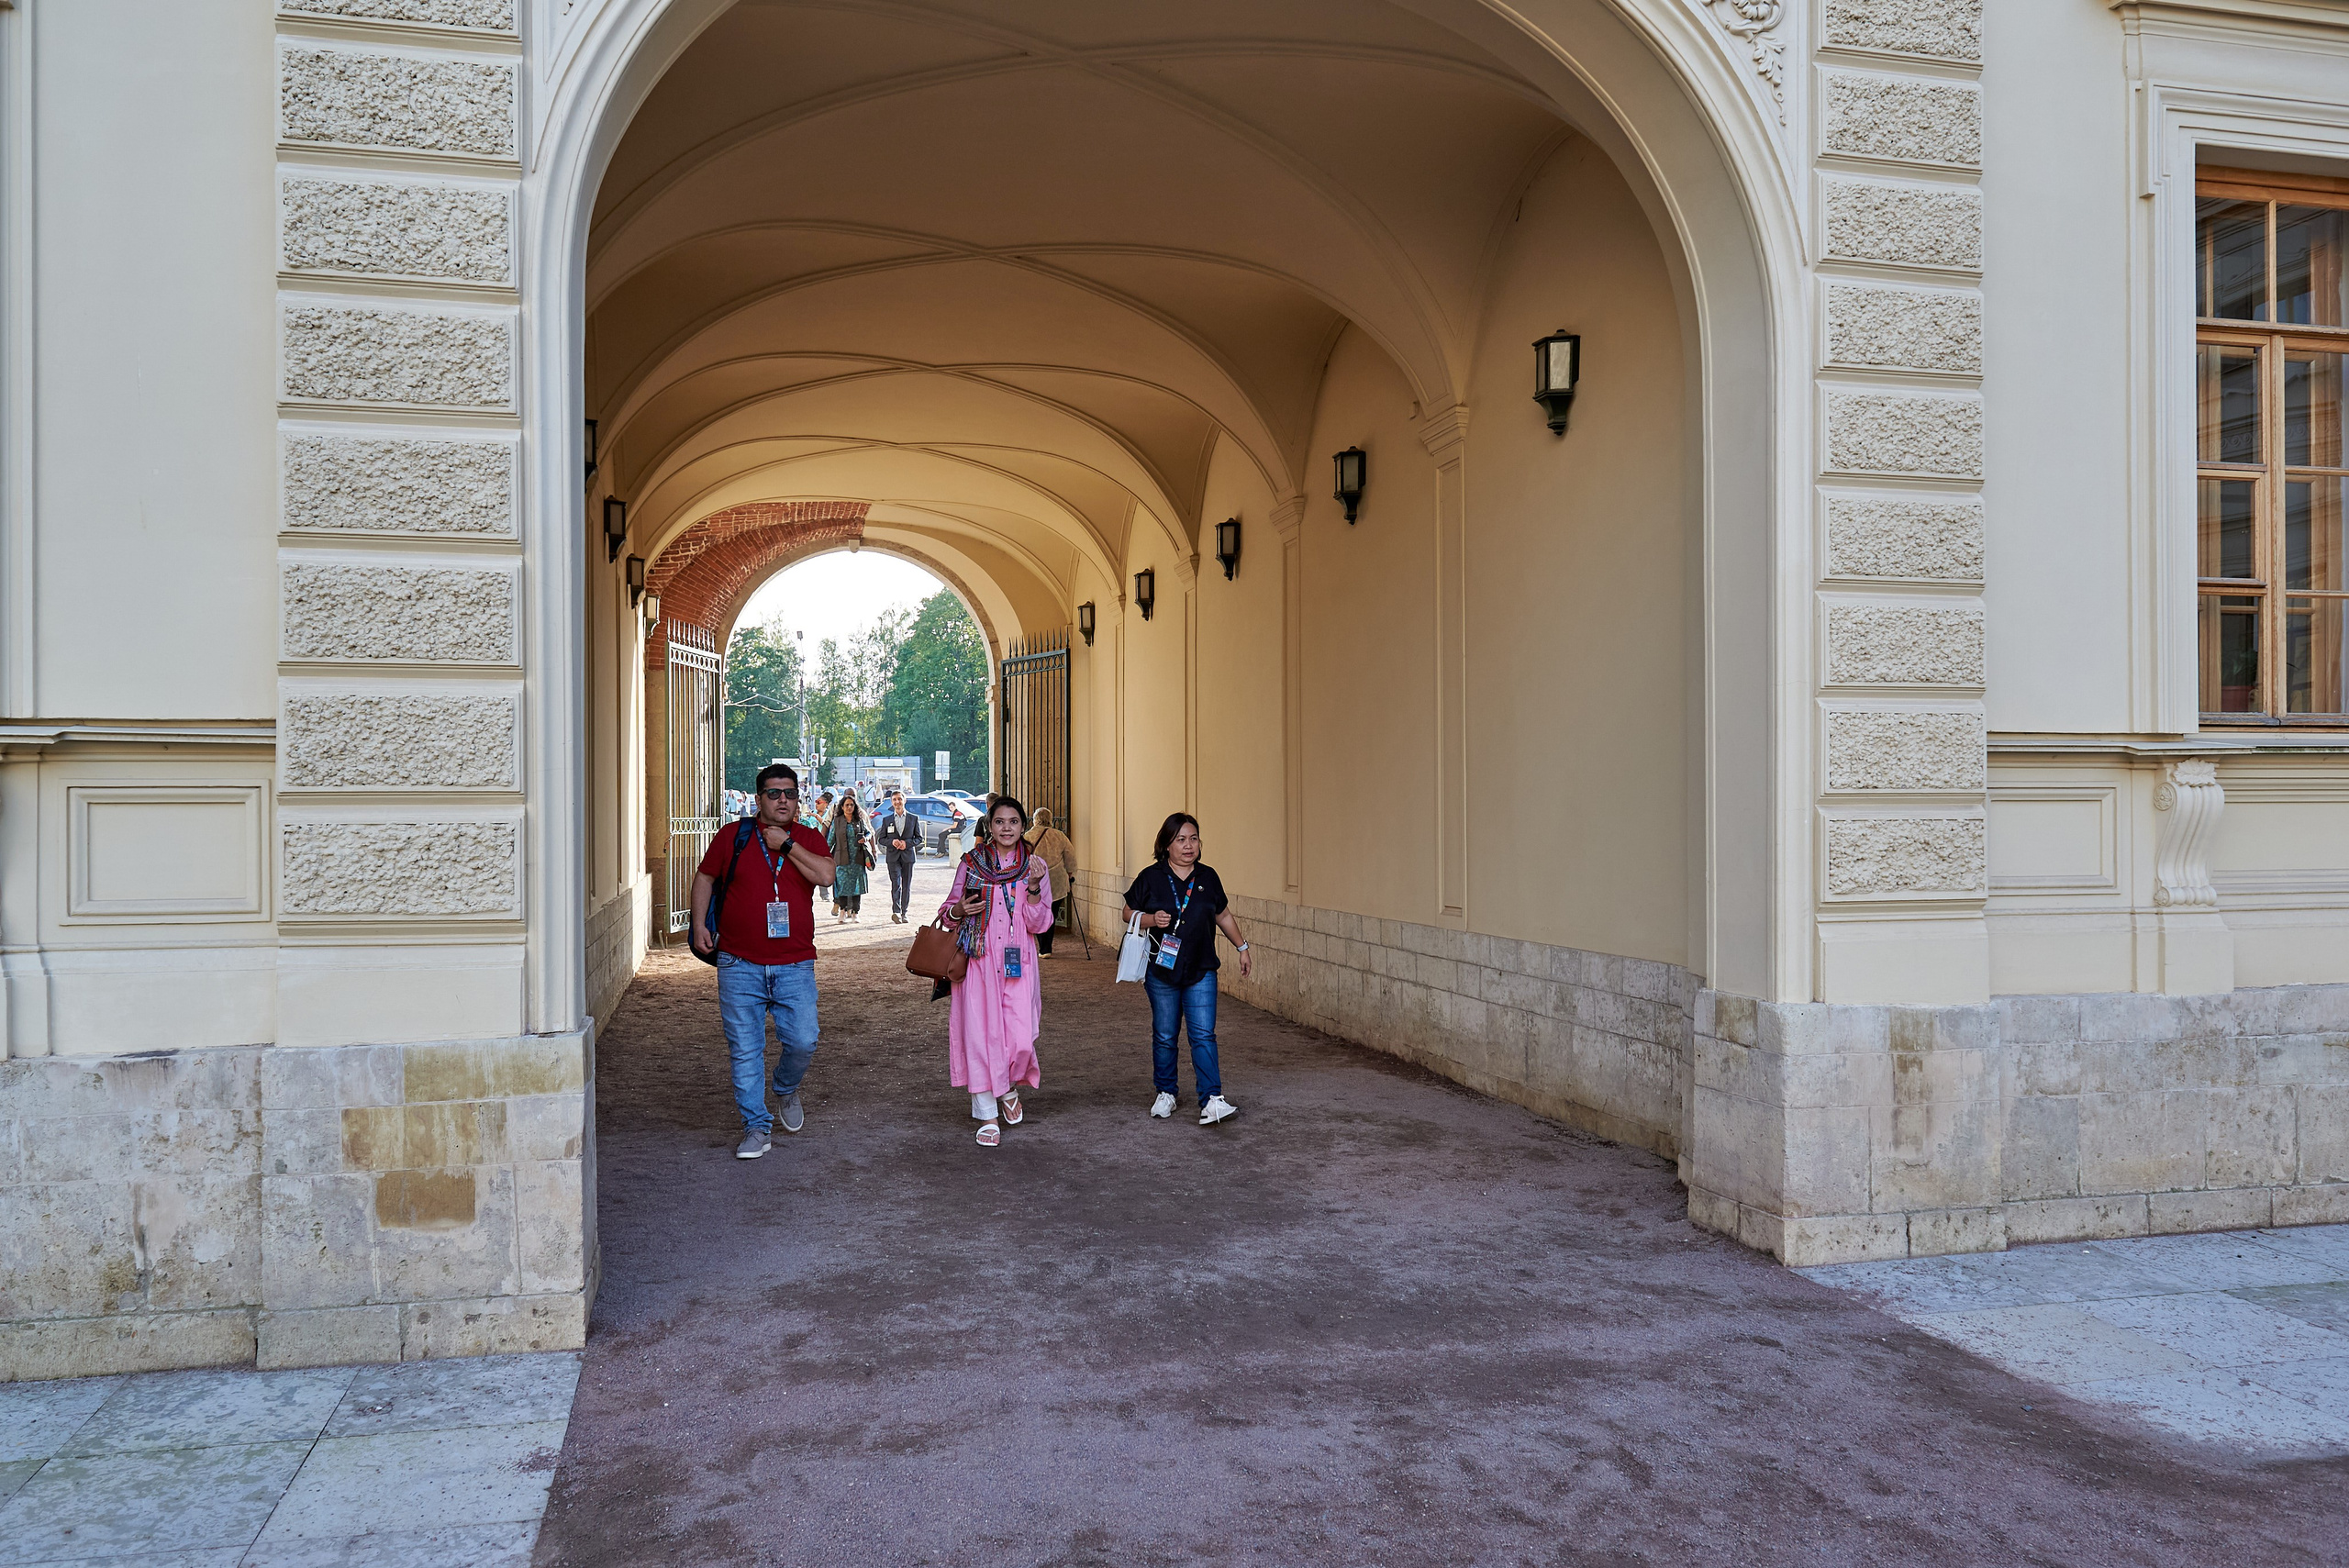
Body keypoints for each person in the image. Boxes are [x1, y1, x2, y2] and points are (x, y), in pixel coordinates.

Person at [689, 762, 837, 1159]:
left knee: (804, 1040)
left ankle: (786, 1088)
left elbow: (826, 876)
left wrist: (786, 846)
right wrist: (698, 922)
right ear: (759, 799)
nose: (783, 800)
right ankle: (756, 1126)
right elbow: (704, 877)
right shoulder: (732, 836)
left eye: (790, 793)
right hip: (739, 964)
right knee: (745, 1049)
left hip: (794, 963)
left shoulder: (807, 837)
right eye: (774, 793)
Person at [939, 795, 1053, 1147]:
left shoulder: (1036, 866)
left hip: (1019, 961)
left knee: (1020, 1039)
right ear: (990, 826)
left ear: (1022, 826)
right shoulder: (971, 863)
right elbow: (947, 913)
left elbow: (1041, 921)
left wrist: (1033, 887)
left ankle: (1007, 1089)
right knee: (980, 1036)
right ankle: (987, 1112)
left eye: (1014, 822)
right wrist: (958, 910)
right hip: (979, 960)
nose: (1007, 828)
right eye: (1000, 822)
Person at [1124, 812, 1250, 1126]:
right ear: (1166, 845)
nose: (1188, 845)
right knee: (1166, 1035)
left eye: (1193, 838)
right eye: (1180, 839)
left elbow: (1222, 916)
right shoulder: (1151, 877)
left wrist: (1242, 947)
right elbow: (1127, 912)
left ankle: (1212, 1099)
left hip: (1201, 969)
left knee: (1204, 1035)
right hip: (1161, 971)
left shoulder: (1208, 877)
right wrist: (1152, 920)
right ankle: (1166, 1092)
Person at [1023, 806, 1076, 957]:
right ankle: (1047, 947)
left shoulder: (1028, 836)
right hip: (1056, 881)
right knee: (1051, 912)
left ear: (1035, 820)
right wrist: (1070, 874)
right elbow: (1070, 857)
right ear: (1050, 819)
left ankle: (1043, 947)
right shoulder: (1059, 836)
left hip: (1036, 881)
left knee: (1039, 912)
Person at [879, 787, 920, 922]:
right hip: (893, 857)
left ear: (905, 800)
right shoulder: (887, 820)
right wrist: (892, 842)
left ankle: (904, 912)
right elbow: (881, 839)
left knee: (906, 885)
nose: (897, 802)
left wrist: (907, 843)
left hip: (908, 856)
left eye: (899, 799)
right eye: (894, 800)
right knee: (896, 884)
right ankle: (896, 911)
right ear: (892, 802)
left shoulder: (914, 819)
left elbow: (919, 838)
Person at [829, 795, 873, 921]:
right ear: (842, 807)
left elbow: (868, 832)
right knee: (842, 885)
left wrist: (866, 838)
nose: (849, 807)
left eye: (851, 805)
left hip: (857, 858)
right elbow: (831, 839)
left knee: (856, 885)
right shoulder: (837, 821)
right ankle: (842, 911)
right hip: (841, 858)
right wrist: (825, 854)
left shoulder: (859, 820)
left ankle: (855, 912)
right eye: (846, 805)